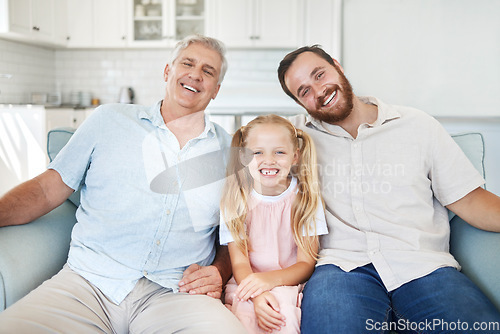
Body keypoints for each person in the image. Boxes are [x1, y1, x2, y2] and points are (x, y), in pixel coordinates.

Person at [0, 35, 246, 333]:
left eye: (208, 71)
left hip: (177, 294)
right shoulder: (108, 120)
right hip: (87, 284)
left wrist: (219, 272)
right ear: (167, 71)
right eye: (188, 63)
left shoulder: (231, 153)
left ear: (216, 89)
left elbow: (232, 233)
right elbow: (46, 189)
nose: (196, 74)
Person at [277, 45, 500, 333]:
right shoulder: (291, 138)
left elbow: (471, 201)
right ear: (299, 103)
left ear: (337, 66)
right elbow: (235, 164)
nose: (318, 91)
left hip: (423, 265)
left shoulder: (417, 125)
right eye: (304, 91)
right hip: (341, 269)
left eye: (319, 75)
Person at [219, 114, 328, 333]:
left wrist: (268, 281)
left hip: (286, 283)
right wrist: (257, 294)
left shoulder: (305, 199)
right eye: (257, 152)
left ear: (295, 156)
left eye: (279, 152)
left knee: (282, 318)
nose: (269, 160)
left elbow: (305, 264)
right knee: (244, 319)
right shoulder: (235, 201)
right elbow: (240, 264)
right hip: (246, 284)